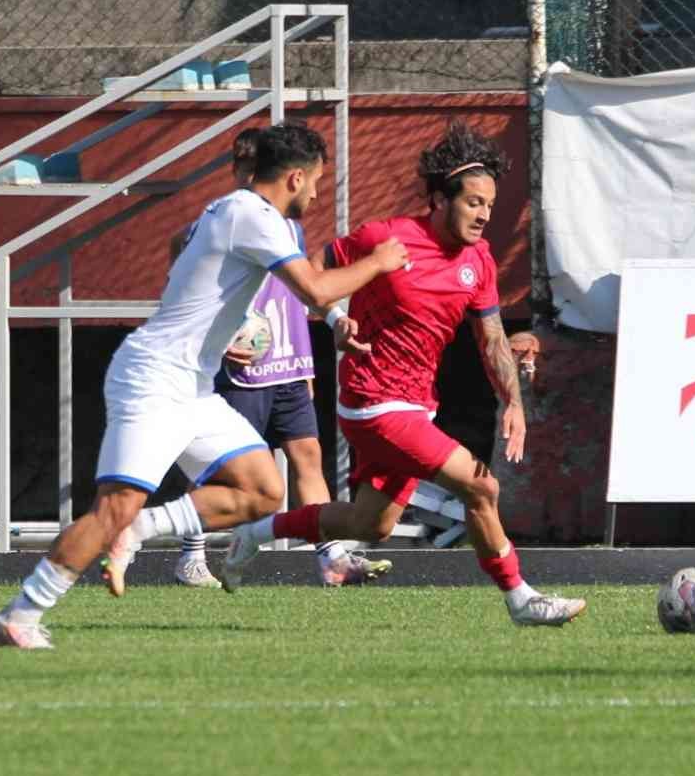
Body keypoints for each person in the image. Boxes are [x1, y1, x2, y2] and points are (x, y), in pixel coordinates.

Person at [0, 122, 409, 648]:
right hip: (155, 380)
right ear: (296, 178)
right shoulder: (252, 215)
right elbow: (315, 285)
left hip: (191, 388)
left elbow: (304, 295)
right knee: (112, 506)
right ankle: (22, 613)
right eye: (317, 183)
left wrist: (334, 321)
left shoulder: (238, 212)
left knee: (261, 490)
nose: (319, 194)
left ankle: (138, 529)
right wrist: (379, 262)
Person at [221, 121, 587, 627]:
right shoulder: (386, 237)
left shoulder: (478, 260)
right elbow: (312, 270)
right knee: (481, 488)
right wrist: (333, 319)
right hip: (372, 402)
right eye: (473, 202)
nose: (484, 215)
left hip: (417, 405)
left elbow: (492, 339)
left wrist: (516, 403)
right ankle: (521, 598)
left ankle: (256, 533)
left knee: (371, 524)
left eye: (489, 205)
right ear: (439, 198)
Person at [106, 129, 392, 591]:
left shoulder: (284, 223)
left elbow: (308, 285)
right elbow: (183, 248)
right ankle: (191, 553)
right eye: (236, 164)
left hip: (290, 361)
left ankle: (331, 558)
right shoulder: (232, 216)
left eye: (247, 161)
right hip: (244, 369)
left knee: (307, 456)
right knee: (225, 469)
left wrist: (333, 319)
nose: (241, 171)